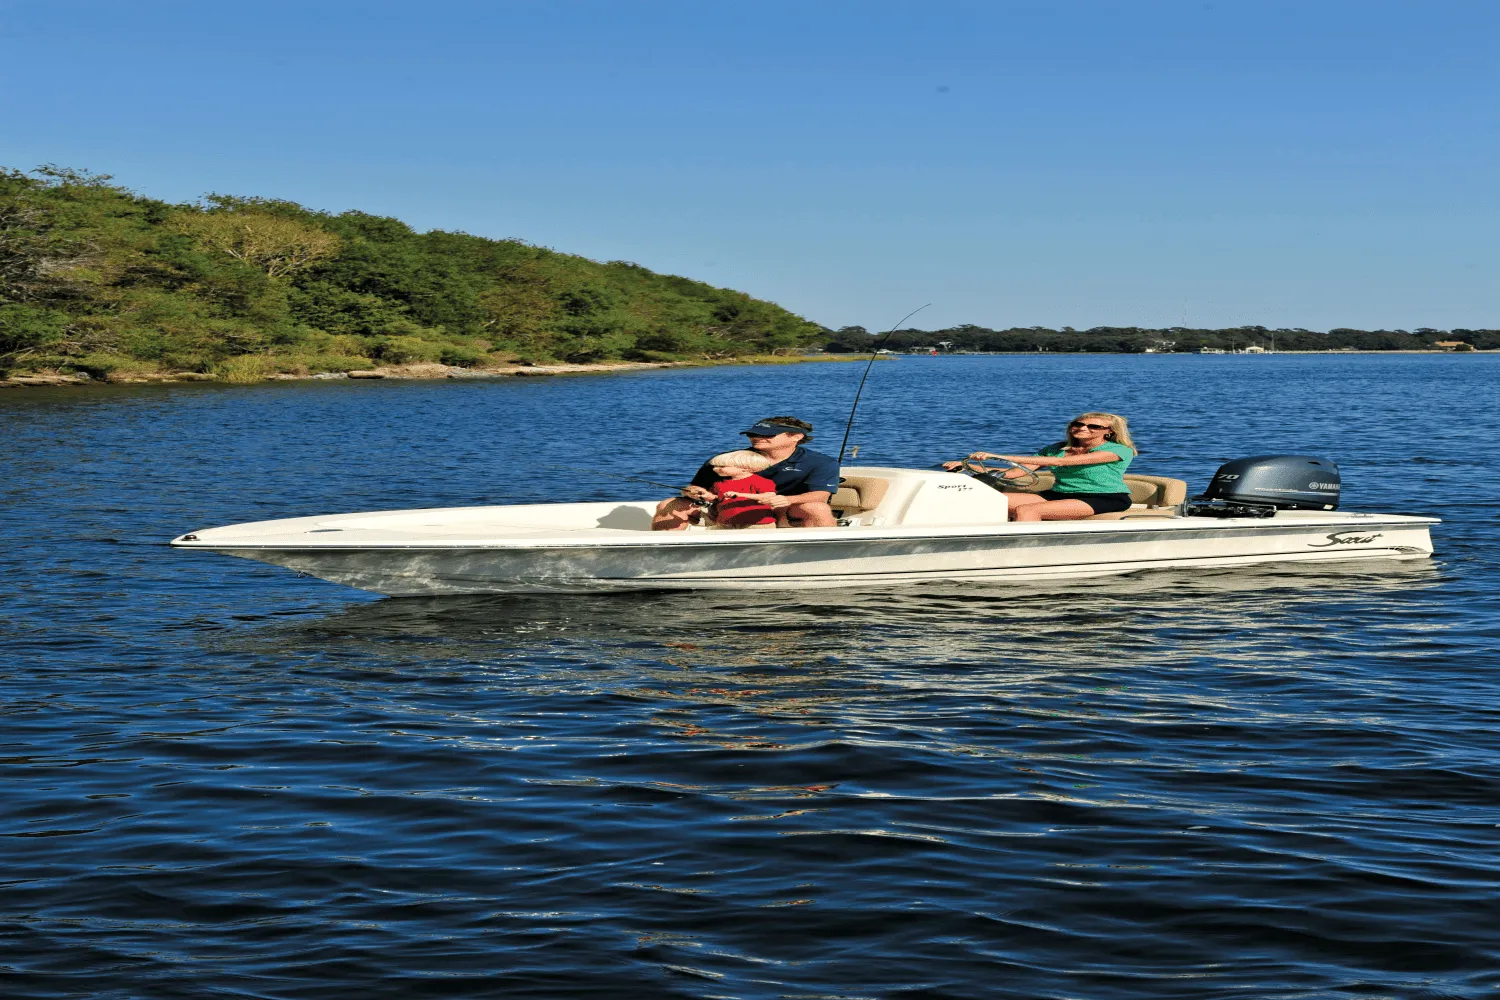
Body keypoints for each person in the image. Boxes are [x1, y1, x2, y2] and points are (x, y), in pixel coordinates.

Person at [652, 416, 840, 530]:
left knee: (817, 508)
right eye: (752, 434)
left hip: (784, 512)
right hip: (725, 510)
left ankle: (820, 556)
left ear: (796, 437)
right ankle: (664, 554)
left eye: (767, 434)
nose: (756, 437)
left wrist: (785, 500)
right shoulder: (725, 460)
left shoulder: (822, 462)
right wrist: (694, 492)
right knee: (669, 504)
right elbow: (695, 488)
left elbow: (820, 496)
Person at [945, 412, 1138, 522]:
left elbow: (1060, 462)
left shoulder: (1119, 450)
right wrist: (968, 467)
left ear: (1108, 432)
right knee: (983, 500)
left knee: (1027, 511)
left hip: (1104, 497)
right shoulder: (1056, 449)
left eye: (1093, 427)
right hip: (1058, 494)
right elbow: (1013, 473)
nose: (1082, 428)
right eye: (1078, 424)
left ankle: (1020, 553)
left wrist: (998, 456)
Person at [703, 450, 778, 528]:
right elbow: (716, 498)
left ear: (745, 468)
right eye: (715, 466)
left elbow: (769, 496)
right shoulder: (718, 483)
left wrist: (739, 494)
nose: (715, 469)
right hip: (726, 523)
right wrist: (707, 496)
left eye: (722, 466)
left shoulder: (761, 481)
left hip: (757, 523)